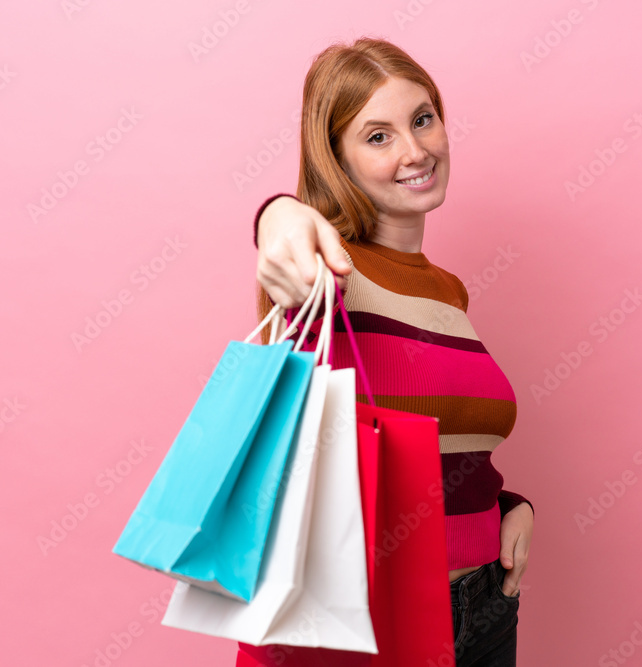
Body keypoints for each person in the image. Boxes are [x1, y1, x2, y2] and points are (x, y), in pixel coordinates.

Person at [242, 37, 534, 667]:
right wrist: (278, 214)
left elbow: (447, 444)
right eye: (377, 136)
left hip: (486, 604)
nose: (415, 150)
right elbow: (285, 238)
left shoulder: (447, 291)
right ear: (336, 160)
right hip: (372, 617)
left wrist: (509, 508)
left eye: (422, 120)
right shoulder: (328, 272)